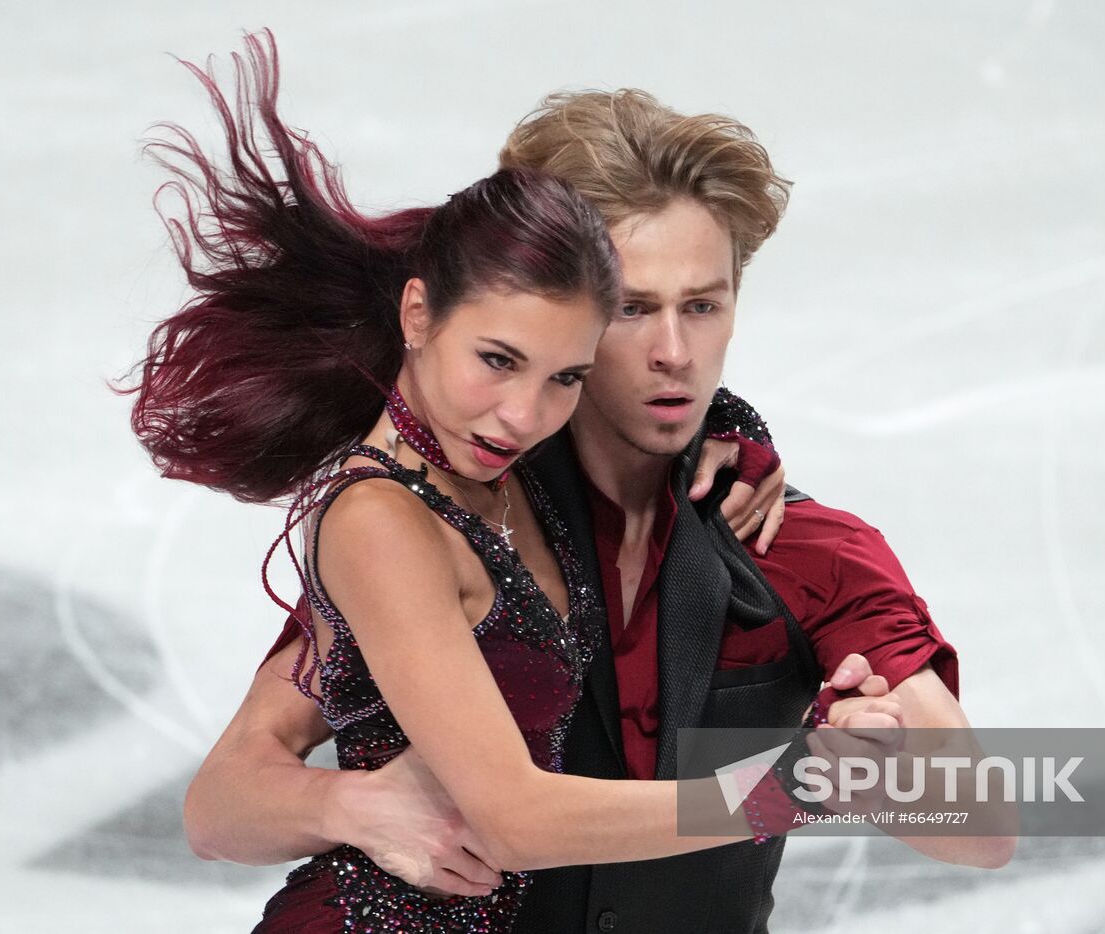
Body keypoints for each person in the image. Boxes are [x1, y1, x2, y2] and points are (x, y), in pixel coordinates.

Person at [183, 82, 1017, 932]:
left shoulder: (798, 542)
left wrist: (866, 752)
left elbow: (981, 827)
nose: (673, 353)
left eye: (702, 306)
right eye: (632, 310)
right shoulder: (462, 520)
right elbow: (226, 797)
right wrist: (348, 807)